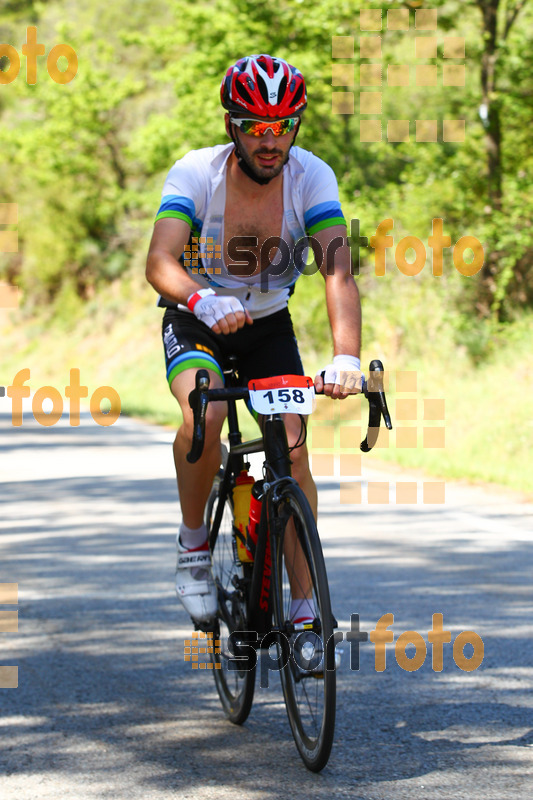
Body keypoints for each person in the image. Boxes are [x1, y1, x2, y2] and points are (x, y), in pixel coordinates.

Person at [145, 54, 362, 627]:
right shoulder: (196, 172)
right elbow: (160, 259)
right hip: (197, 316)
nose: (270, 141)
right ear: (230, 127)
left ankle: (306, 610)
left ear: (297, 125)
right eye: (255, 128)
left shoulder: (311, 176)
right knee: (204, 414)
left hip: (267, 325)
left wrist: (345, 356)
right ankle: (194, 548)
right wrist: (200, 297)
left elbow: (338, 271)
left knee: (292, 451)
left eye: (282, 127)